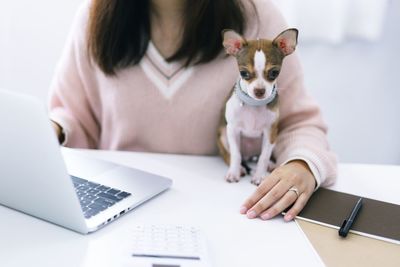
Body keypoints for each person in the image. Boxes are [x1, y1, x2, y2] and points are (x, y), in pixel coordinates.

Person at [49, 0, 337, 222]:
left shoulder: (258, 18)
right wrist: (54, 129)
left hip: (229, 211)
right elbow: (71, 117)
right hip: (118, 207)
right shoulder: (95, 19)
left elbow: (299, 124)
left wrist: (302, 166)